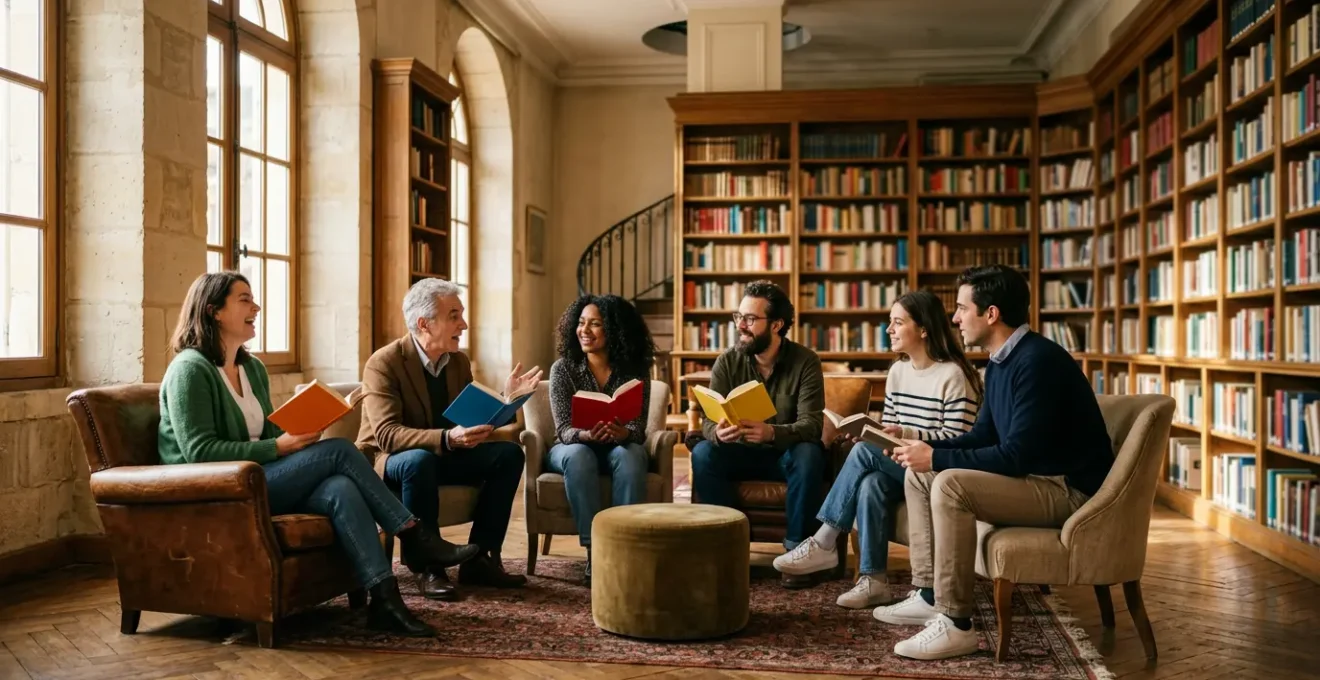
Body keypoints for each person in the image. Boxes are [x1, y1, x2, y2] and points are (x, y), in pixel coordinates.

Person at [158, 272, 477, 638]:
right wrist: (278, 447)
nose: (256, 307)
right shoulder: (189, 370)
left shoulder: (252, 368)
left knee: (340, 487)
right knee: (341, 452)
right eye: (245, 299)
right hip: (215, 488)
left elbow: (269, 433)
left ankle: (385, 600)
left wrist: (304, 431)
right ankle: (413, 533)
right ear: (214, 311)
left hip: (258, 477)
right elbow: (200, 452)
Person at [874, 264, 1114, 661]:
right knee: (921, 475)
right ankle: (931, 593)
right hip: (1037, 477)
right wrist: (922, 446)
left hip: (1066, 488)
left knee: (949, 483)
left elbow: (1018, 454)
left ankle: (956, 623)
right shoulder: (1001, 361)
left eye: (962, 308)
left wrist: (936, 456)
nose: (953, 318)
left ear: (991, 314)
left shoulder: (1037, 361)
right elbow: (982, 436)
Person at [773, 290, 983, 609]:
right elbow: (890, 427)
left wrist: (903, 434)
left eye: (897, 323)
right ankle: (873, 581)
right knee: (870, 481)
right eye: (889, 322)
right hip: (903, 465)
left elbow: (959, 437)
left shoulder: (954, 375)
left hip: (940, 468)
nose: (889, 330)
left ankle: (824, 540)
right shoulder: (897, 372)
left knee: (864, 454)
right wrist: (872, 435)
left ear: (923, 329)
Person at [357, 278, 542, 601]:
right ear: (424, 324)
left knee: (509, 455)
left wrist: (505, 399)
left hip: (442, 452)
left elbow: (466, 416)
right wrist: (447, 438)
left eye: (462, 315)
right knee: (419, 460)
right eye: (454, 316)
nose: (464, 324)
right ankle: (429, 567)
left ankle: (480, 559)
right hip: (392, 461)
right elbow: (386, 435)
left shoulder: (457, 361)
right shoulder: (384, 363)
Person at [689, 280, 828, 589]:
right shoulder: (728, 361)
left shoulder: (805, 361)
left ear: (777, 325)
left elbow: (811, 426)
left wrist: (770, 432)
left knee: (810, 453)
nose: (741, 325)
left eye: (750, 319)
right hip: (739, 452)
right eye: (738, 316)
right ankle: (729, 548)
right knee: (703, 452)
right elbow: (708, 423)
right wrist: (718, 432)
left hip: (784, 454)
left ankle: (797, 553)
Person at [547, 294, 657, 584]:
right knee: (579, 455)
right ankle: (595, 550)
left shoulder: (635, 370)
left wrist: (624, 433)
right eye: (581, 323)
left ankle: (624, 544)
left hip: (616, 445)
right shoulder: (563, 369)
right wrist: (585, 434)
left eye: (595, 324)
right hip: (573, 447)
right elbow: (562, 429)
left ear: (615, 330)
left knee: (632, 454)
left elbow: (639, 427)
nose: (585, 330)